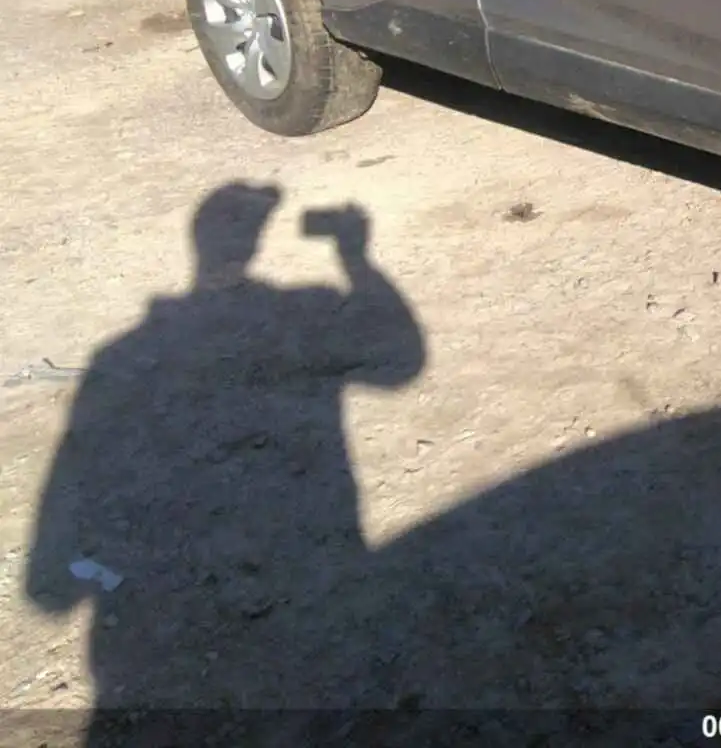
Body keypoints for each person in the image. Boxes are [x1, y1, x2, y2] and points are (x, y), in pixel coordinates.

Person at [26, 184, 424, 710]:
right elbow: (402, 361)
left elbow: (54, 561)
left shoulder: (119, 355)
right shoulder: (302, 310)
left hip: (156, 646)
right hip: (302, 585)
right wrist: (355, 257)